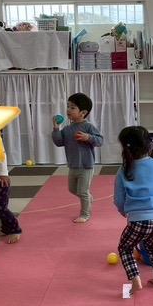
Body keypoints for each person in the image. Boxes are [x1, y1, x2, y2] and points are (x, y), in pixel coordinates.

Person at [114, 126, 153, 291]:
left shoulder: (124, 169)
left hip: (137, 222)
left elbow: (118, 199)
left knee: (125, 248)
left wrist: (123, 211)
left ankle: (135, 281)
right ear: (149, 144)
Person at [52, 93, 103, 223]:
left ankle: (85, 214)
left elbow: (100, 141)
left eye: (73, 107)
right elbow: (58, 142)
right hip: (73, 165)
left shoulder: (88, 127)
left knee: (83, 191)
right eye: (68, 106)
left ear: (83, 113)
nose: (68, 110)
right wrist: (56, 128)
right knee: (72, 189)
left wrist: (88, 137)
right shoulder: (67, 129)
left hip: (86, 165)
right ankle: (88, 199)